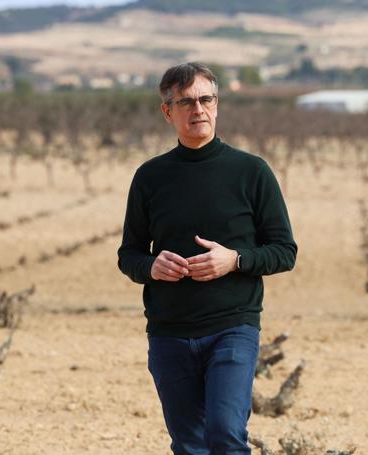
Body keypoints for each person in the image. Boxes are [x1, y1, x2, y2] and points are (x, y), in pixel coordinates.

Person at [117, 62, 297, 454]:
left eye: (205, 99)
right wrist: (151, 266)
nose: (198, 109)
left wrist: (234, 260)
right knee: (189, 444)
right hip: (168, 332)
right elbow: (128, 254)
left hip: (232, 327)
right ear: (168, 112)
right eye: (185, 102)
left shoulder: (252, 172)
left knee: (226, 434)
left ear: (217, 105)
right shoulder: (150, 177)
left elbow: (285, 251)